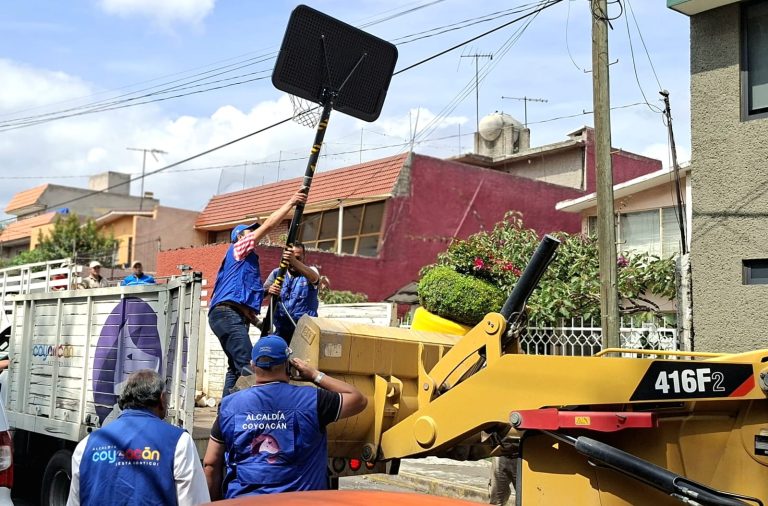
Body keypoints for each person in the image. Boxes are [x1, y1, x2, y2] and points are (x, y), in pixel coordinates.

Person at [203, 335, 367, 499]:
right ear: (288, 365)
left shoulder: (229, 406)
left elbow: (210, 464)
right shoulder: (313, 400)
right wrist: (314, 375)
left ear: (253, 366)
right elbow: (358, 399)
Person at [207, 187, 307, 397]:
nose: (252, 233)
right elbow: (270, 224)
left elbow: (245, 305)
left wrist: (267, 294)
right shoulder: (239, 249)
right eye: (248, 231)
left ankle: (225, 416)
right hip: (227, 315)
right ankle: (257, 408)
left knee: (235, 369)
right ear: (240, 237)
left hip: (227, 315)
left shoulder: (244, 266)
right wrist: (291, 202)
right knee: (248, 366)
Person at [67, 370, 210, 506]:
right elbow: (195, 501)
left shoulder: (86, 444)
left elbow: (75, 501)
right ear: (161, 399)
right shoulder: (179, 442)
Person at [263, 242, 320, 342]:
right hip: (281, 331)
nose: (293, 262)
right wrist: (269, 290)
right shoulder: (277, 273)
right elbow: (262, 294)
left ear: (304, 257)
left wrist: (293, 260)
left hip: (305, 333)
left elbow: (315, 278)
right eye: (290, 258)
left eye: (298, 258)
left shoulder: (310, 271)